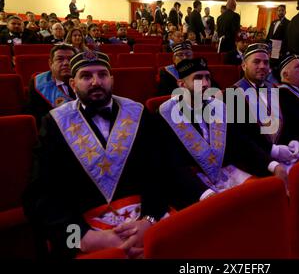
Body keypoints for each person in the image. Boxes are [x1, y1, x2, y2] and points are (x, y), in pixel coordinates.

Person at [23, 50, 211, 259]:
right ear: (73, 84)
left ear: (111, 79)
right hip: (85, 229)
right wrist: (81, 238)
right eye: (86, 76)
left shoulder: (138, 113)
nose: (96, 81)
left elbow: (161, 171)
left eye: (102, 74)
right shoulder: (54, 123)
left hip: (145, 218)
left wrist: (149, 220)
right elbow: (42, 194)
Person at [156, 57, 290, 191]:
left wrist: (272, 165)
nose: (205, 84)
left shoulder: (219, 107)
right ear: (182, 84)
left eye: (207, 78)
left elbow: (241, 143)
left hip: (228, 172)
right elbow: (172, 164)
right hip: (194, 183)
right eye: (197, 78)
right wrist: (203, 193)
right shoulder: (165, 114)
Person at [27, 44, 77, 127]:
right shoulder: (39, 83)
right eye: (60, 59)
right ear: (50, 63)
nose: (66, 63)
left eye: (70, 59)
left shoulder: (85, 80)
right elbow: (36, 116)